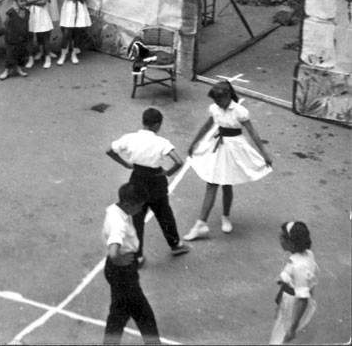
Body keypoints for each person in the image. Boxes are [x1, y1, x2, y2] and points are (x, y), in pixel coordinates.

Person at [184, 81, 273, 241]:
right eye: (215, 101)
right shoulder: (214, 109)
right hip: (217, 147)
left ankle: (225, 216)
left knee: (227, 184)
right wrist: (194, 142)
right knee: (211, 183)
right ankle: (200, 224)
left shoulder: (240, 111)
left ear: (227, 96)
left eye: (219, 100)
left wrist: (264, 153)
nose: (216, 104)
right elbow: (206, 126)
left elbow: (252, 132)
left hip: (234, 148)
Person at [106, 108, 191, 266]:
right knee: (164, 214)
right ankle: (175, 245)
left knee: (137, 218)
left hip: (137, 179)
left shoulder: (130, 138)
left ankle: (137, 255)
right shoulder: (161, 142)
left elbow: (110, 151)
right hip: (156, 180)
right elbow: (179, 162)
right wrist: (168, 173)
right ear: (157, 125)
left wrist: (125, 164)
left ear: (144, 122)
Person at [102, 182, 161, 345]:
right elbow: (114, 251)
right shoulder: (120, 224)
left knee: (118, 313)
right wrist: (119, 259)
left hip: (116, 270)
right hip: (124, 272)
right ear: (128, 205)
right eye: (139, 206)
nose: (141, 209)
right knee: (144, 315)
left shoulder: (114, 210)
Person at [270, 221, 319, 344]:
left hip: (292, 305)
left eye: (282, 237)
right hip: (290, 298)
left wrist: (292, 327)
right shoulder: (308, 254)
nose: (279, 238)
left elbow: (302, 298)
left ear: (291, 243)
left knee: (280, 337)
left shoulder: (299, 267)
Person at [21, 0, 54, 70]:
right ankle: (30, 58)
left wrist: (31, 0)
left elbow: (44, 2)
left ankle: (47, 57)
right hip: (29, 12)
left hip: (41, 12)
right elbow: (23, 1)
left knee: (44, 36)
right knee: (30, 37)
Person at [58, 0, 90, 65]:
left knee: (77, 32)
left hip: (80, 8)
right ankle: (63, 54)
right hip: (68, 8)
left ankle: (73, 54)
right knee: (66, 32)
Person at [0, 0, 30, 80]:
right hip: (12, 37)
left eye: (25, 1)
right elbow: (6, 23)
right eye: (21, 1)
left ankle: (19, 68)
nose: (24, 3)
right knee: (10, 54)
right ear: (16, 1)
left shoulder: (27, 12)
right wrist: (9, 35)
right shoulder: (11, 12)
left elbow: (26, 23)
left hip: (22, 36)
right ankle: (7, 70)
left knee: (21, 53)